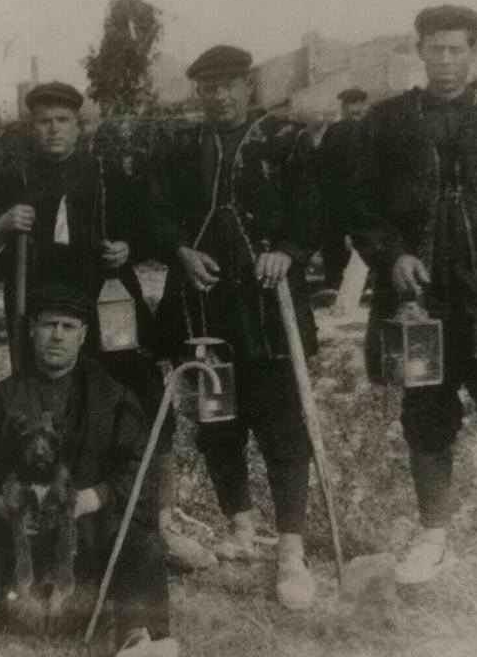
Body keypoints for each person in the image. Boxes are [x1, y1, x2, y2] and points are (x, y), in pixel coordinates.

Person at [0, 82, 214, 571]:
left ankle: (157, 520)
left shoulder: (107, 175)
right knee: (46, 414)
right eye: (44, 121)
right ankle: (50, 522)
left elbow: (150, 227)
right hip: (43, 315)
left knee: (145, 400)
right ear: (32, 127)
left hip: (107, 308)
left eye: (62, 121)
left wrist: (127, 247)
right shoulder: (14, 178)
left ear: (79, 125)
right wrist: (2, 227)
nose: (53, 129)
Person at [349, 5, 477, 585]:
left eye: (457, 50)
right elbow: (361, 206)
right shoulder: (389, 121)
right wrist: (392, 254)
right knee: (425, 412)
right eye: (436, 49)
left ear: (474, 52)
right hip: (419, 297)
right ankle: (434, 538)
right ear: (420, 50)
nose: (447, 60)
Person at [148, 45, 324, 610]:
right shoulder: (180, 149)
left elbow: (318, 208)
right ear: (197, 92)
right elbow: (154, 212)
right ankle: (242, 529)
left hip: (268, 304)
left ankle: (292, 549)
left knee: (280, 423)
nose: (220, 95)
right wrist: (179, 252)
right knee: (216, 419)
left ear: (249, 86)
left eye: (230, 84)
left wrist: (290, 252)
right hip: (203, 302)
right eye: (209, 86)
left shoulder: (287, 140)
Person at [0, 283, 178, 657]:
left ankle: (137, 636)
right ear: (31, 330)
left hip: (87, 525)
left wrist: (94, 497)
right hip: (18, 531)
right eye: (48, 325)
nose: (57, 335)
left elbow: (138, 465)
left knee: (139, 540)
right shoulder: (1, 399)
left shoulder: (113, 396)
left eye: (69, 326)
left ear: (84, 335)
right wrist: (0, 504)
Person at [317, 87, 368, 290]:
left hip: (345, 195)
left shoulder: (339, 130)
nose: (354, 107)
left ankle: (338, 284)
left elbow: (320, 163)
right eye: (350, 103)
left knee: (340, 241)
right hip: (346, 195)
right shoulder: (340, 130)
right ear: (345, 106)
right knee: (345, 240)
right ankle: (345, 285)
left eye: (357, 103)